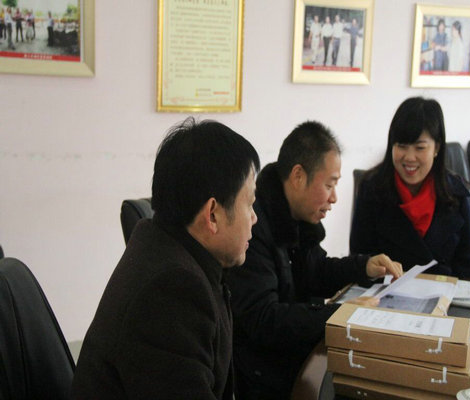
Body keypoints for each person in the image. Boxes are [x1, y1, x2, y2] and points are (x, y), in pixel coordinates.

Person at [71, 118, 260, 399]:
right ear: (212, 215)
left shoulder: (163, 244)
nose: (254, 218)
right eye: (250, 204)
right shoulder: (173, 291)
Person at [226, 121, 403, 400]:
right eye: (329, 184)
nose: (334, 198)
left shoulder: (296, 217)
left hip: (295, 355)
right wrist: (337, 313)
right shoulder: (254, 227)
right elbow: (264, 319)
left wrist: (364, 267)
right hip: (262, 376)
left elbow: (317, 270)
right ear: (298, 176)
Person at [350, 97, 470, 280]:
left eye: (420, 148)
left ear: (436, 148)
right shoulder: (372, 189)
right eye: (401, 146)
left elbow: (466, 267)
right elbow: (359, 260)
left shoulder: (456, 193)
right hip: (385, 294)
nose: (409, 157)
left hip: (444, 295)